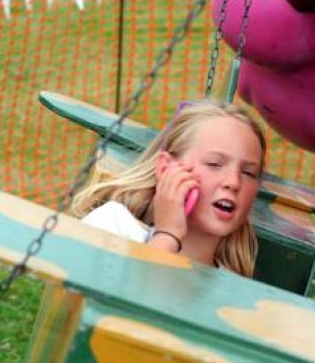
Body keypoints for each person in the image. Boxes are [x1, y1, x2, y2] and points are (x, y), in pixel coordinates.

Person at [72, 100, 267, 277]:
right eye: (214, 164)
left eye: (248, 173)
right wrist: (167, 236)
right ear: (166, 168)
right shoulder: (113, 225)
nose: (233, 182)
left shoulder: (232, 288)